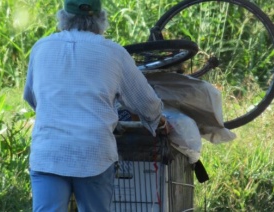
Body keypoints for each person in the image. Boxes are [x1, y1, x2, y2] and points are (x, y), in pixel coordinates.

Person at [23, 0, 168, 211]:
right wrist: (158, 120)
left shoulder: (41, 48)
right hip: (93, 154)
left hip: (49, 153)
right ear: (101, 19)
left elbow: (31, 98)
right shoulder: (114, 52)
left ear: (63, 17)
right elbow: (145, 102)